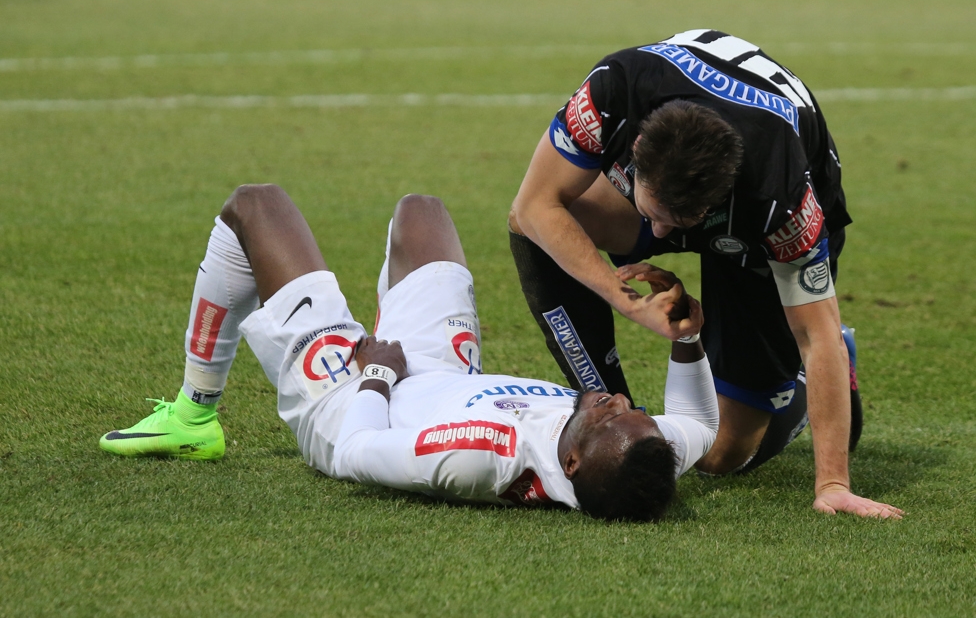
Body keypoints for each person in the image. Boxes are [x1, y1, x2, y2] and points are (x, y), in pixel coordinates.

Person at [100, 185, 720, 522]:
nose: (617, 400)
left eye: (610, 415)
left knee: (255, 207)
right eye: (628, 408)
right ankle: (363, 320)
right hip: (442, 376)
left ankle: (193, 414)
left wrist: (376, 373)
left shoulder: (483, 458)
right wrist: (687, 340)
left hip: (353, 401)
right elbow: (697, 424)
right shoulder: (639, 451)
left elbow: (356, 453)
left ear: (575, 466)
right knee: (421, 213)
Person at [508, 29, 903, 518]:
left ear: (715, 208)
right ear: (635, 150)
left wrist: (833, 484)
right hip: (684, 171)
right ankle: (615, 410)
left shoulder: (782, 201)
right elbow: (534, 206)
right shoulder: (615, 90)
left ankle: (802, 386)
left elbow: (816, 334)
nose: (657, 232)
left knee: (718, 455)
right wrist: (625, 298)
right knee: (535, 228)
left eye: (674, 227)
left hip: (755, 237)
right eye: (650, 211)